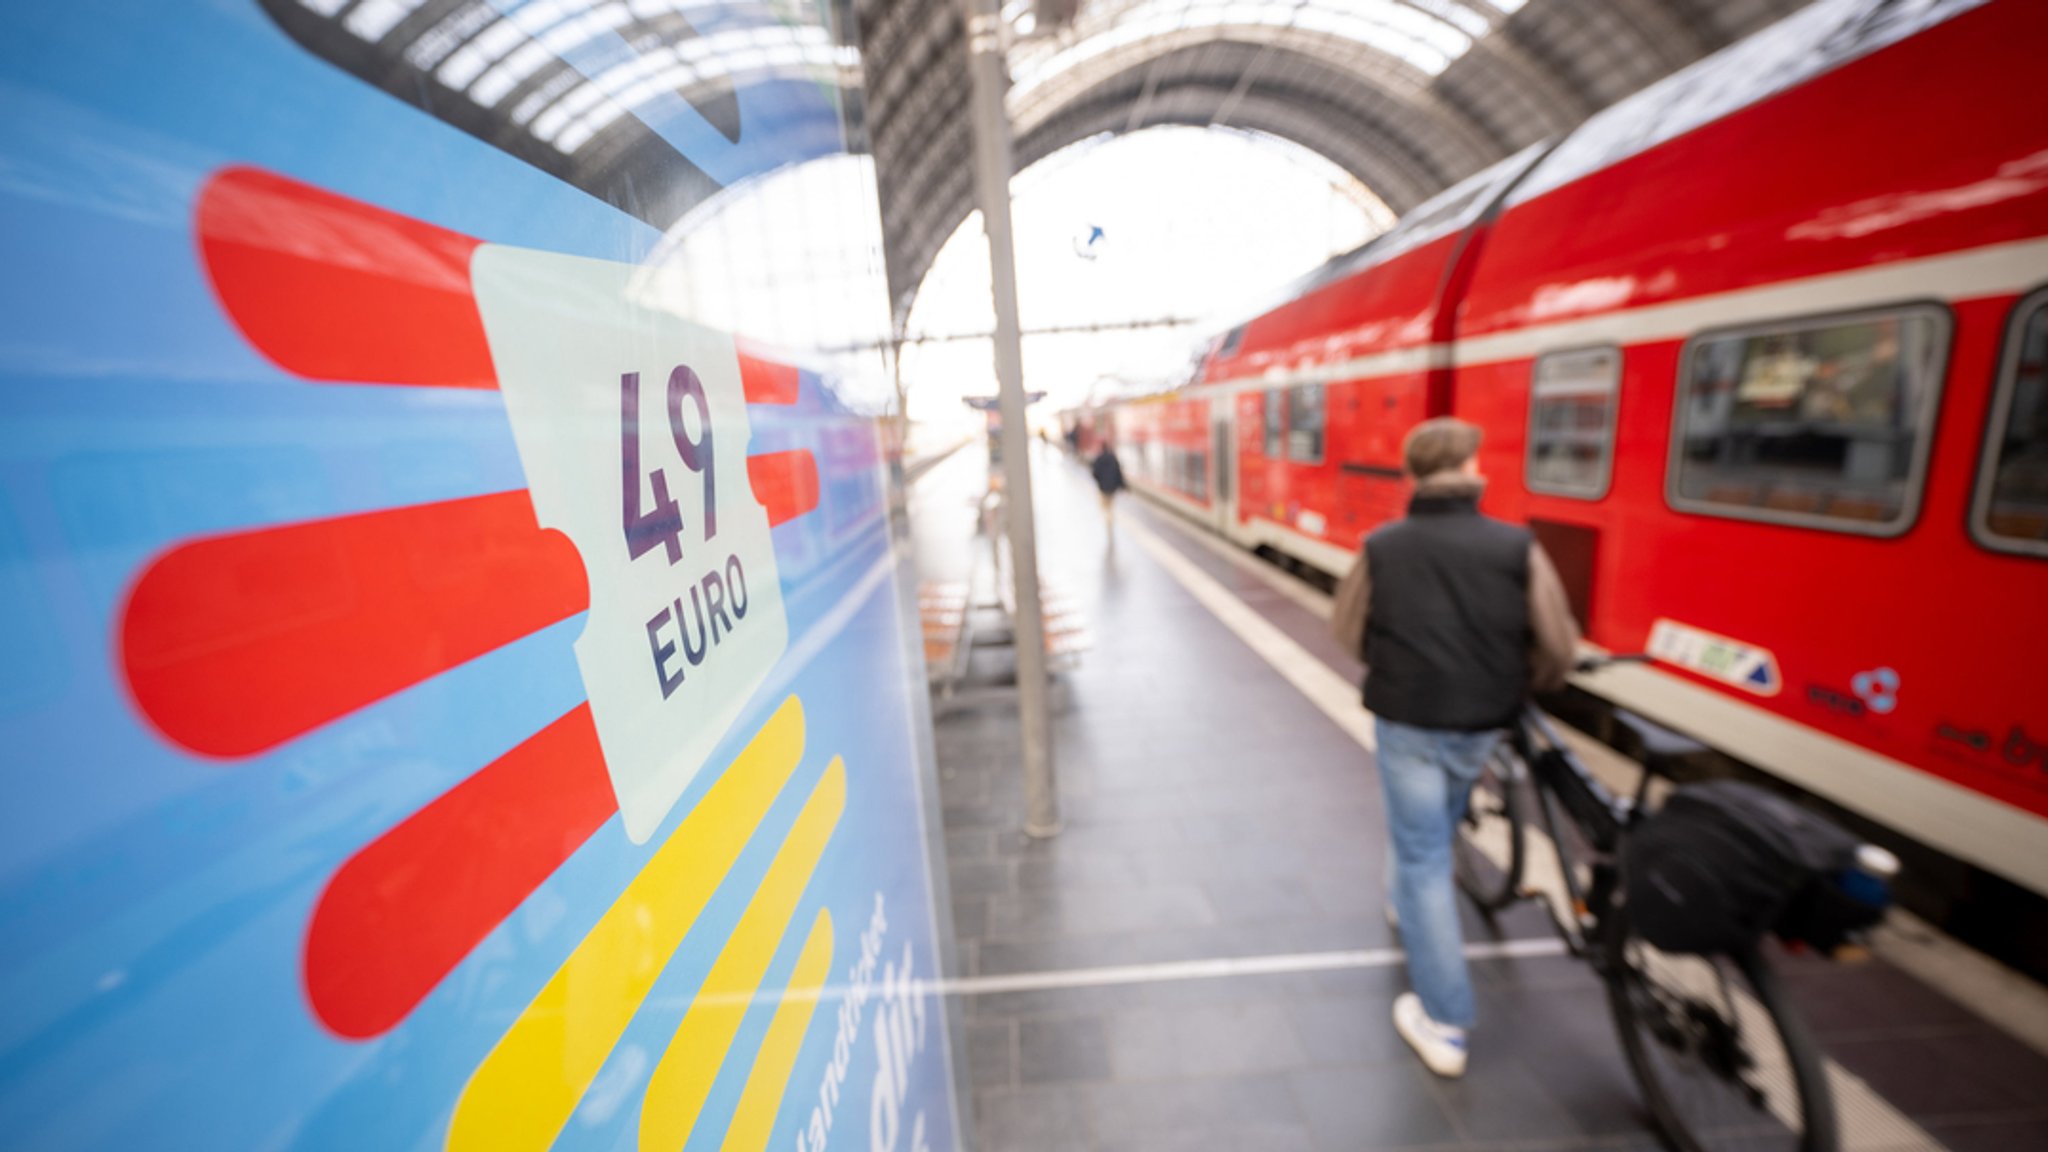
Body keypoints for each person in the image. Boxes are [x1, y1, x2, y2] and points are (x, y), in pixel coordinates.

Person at [1354, 417, 1579, 1079]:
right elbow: (1558, 646)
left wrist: (1396, 664)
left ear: (1413, 475)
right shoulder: (1517, 547)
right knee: (1439, 821)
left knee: (1423, 854)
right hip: (1481, 721)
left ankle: (1444, 1022)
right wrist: (1518, 682)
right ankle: (1407, 904)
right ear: (1473, 469)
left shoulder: (1382, 545)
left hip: (1408, 718)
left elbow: (1348, 629)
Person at [1090, 441, 1126, 528]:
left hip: (1102, 488)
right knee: (1110, 506)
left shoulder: (1098, 459)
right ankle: (1110, 517)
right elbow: (1118, 473)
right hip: (1112, 488)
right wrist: (1123, 486)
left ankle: (1107, 519)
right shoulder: (1113, 458)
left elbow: (1095, 473)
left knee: (1104, 506)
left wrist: (1099, 482)